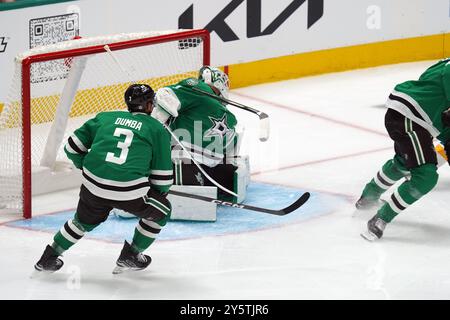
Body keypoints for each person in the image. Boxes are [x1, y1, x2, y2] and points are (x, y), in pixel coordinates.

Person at [34, 83, 173, 274]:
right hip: (129, 192)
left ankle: (48, 258)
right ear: (150, 105)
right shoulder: (157, 129)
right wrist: (155, 191)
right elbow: (163, 180)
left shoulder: (105, 117)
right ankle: (131, 254)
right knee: (163, 211)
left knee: (81, 222)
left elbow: (72, 148)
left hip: (93, 186)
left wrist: (86, 166)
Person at [356, 58, 450, 240]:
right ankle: (380, 218)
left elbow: (430, 85)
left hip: (411, 116)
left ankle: (369, 197)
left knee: (404, 162)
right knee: (425, 177)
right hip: (411, 119)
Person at [151, 66, 248, 202]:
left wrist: (154, 122)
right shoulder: (228, 115)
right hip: (207, 166)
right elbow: (164, 95)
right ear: (219, 83)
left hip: (184, 163)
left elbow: (163, 95)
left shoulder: (200, 91)